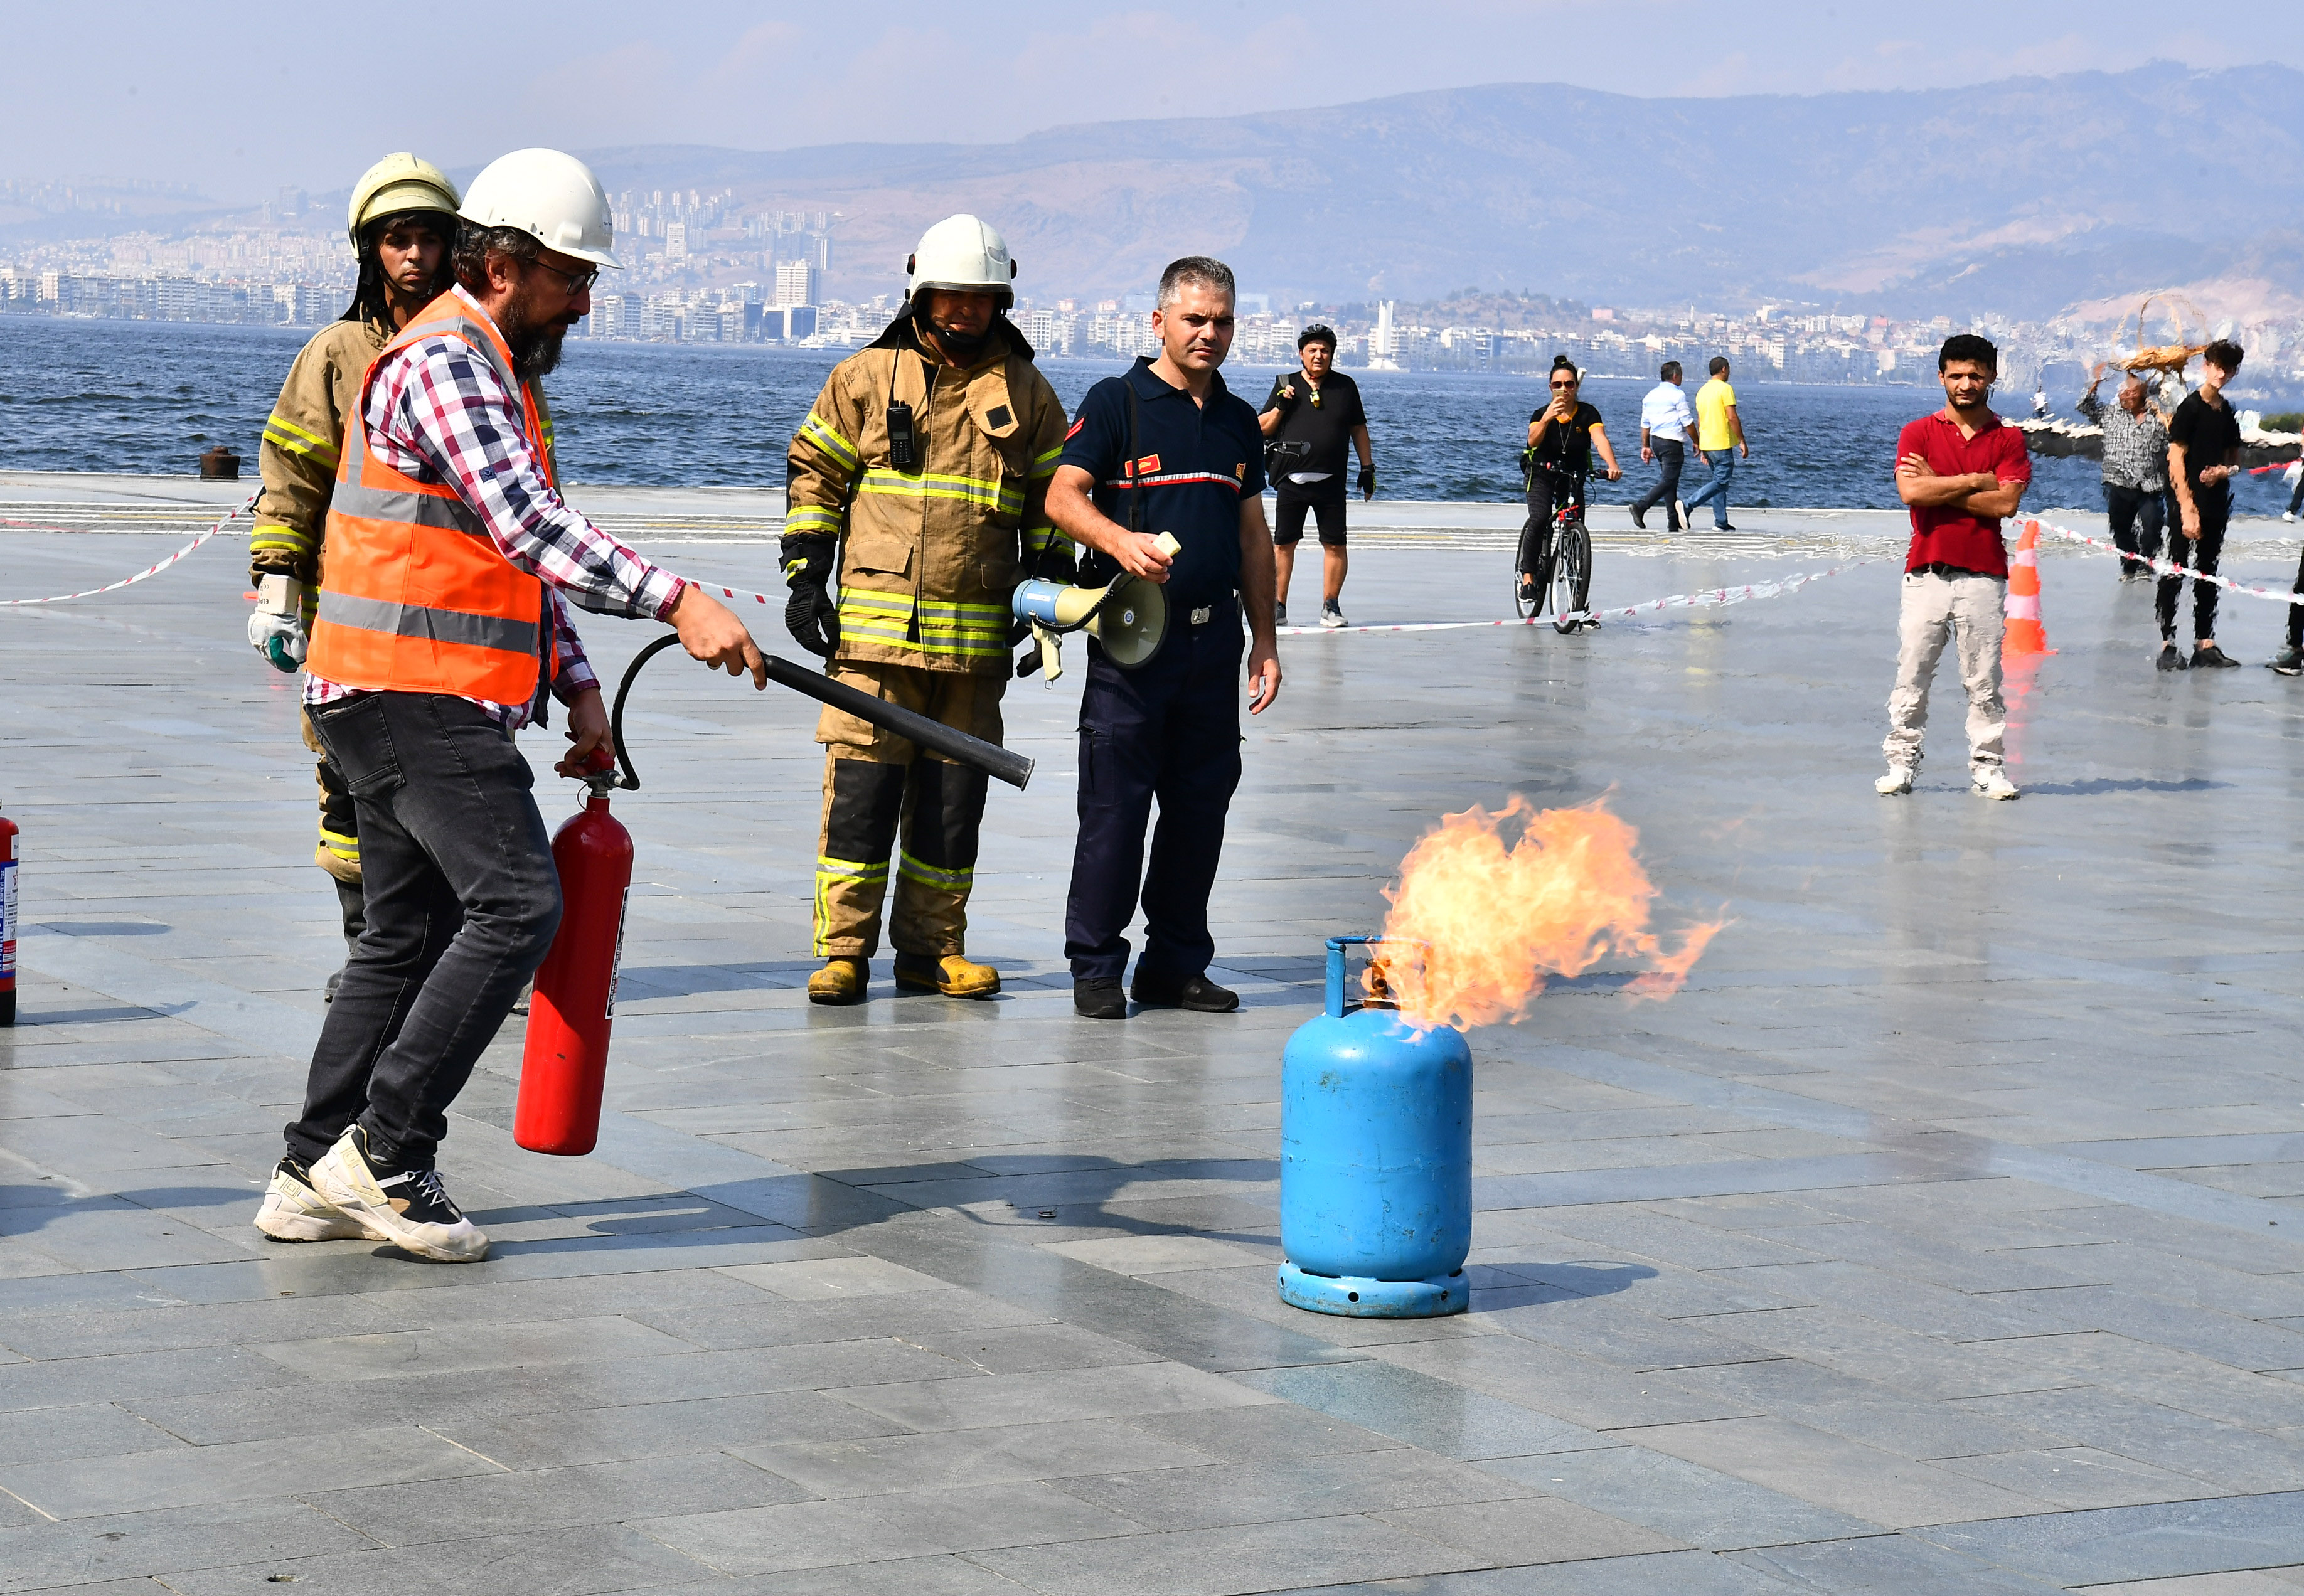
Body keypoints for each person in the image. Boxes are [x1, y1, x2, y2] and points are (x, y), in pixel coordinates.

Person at [253, 150, 767, 1262]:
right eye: (573, 277)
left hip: (404, 690)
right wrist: (680, 601)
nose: (585, 301)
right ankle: (385, 1153)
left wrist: (579, 687)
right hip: (408, 689)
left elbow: (514, 559)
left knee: (404, 936)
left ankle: (307, 1167)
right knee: (519, 905)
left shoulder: (491, 371)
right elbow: (535, 526)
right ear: (509, 264)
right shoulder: (447, 359)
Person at [780, 215, 1067, 1005]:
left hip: (973, 652)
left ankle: (934, 951)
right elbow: (816, 476)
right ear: (920, 292)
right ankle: (843, 953)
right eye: (953, 296)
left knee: (951, 811)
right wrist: (807, 575)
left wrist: (1045, 581)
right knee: (861, 806)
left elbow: (1052, 503)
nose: (968, 312)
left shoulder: (1028, 393)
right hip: (873, 643)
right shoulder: (864, 379)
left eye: (983, 298)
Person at [245, 155, 469, 1000]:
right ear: (370, 253)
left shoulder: (481, 353)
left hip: (458, 626)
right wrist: (278, 590)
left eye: (428, 239)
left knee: (457, 788)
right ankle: (371, 948)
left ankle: (455, 954)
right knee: (349, 791)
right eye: (396, 240)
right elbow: (292, 478)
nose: (413, 255)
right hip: (356, 620)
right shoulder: (337, 354)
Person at [1044, 255, 1281, 1020]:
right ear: (1159, 323)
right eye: (1195, 320)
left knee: (1198, 810)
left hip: (1214, 653)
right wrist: (1118, 541)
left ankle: (1174, 965)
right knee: (1115, 809)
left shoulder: (1242, 422)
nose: (1210, 333)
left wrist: (1266, 642)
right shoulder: (1119, 404)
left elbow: (1253, 538)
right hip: (1132, 647)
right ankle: (1096, 968)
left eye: (1223, 321)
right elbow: (1061, 494)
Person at [1877, 333, 2030, 802]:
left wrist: (1939, 485)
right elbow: (1912, 494)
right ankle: (1901, 763)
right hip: (1925, 574)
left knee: (1985, 681)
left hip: (1984, 576)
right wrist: (1971, 482)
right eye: (1957, 375)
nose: (1966, 384)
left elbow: (2006, 503)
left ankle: (1989, 767)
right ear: (1942, 376)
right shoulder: (1917, 433)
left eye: (1975, 375)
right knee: (1912, 676)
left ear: (1991, 377)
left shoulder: (2008, 438)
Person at [1258, 324, 1372, 628]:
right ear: (1301, 354)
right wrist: (1282, 404)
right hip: (1292, 482)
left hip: (1331, 483)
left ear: (1332, 354)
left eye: (1324, 350)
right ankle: (1278, 606)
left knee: (1335, 545)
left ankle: (1331, 606)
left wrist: (1367, 468)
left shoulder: (1345, 387)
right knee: (1284, 545)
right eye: (1312, 350)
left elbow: (1358, 428)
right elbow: (1262, 427)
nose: (1319, 355)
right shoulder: (1286, 384)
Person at [2159, 339, 2246, 671]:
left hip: (2217, 503)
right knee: (2176, 568)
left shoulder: (2226, 412)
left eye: (2229, 369)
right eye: (2217, 366)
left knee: (2209, 571)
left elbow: (2235, 461)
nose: (2222, 374)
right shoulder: (2190, 408)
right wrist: (2186, 507)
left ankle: (2204, 642)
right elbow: (2176, 459)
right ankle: (2168, 642)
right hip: (2187, 501)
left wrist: (2224, 471)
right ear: (2205, 365)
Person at [1517, 355, 1620, 610]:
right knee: (1540, 519)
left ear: (1576, 386)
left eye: (1569, 384)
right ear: (1550, 387)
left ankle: (1576, 598)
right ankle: (1528, 576)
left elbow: (1600, 439)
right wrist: (1547, 419)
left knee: (1576, 529)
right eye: (1558, 385)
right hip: (1541, 472)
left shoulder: (1587, 413)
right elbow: (1532, 441)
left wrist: (1612, 466)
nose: (1564, 390)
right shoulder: (1541, 413)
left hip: (1572, 475)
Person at [2076, 363, 2169, 581]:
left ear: (2143, 394)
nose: (2126, 396)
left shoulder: (2159, 416)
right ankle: (2129, 566)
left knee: (2152, 525)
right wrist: (2095, 381)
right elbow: (2084, 405)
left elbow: (2177, 435)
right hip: (2117, 482)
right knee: (2121, 529)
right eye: (2123, 392)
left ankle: (2146, 564)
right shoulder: (2111, 414)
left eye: (2132, 392)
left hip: (2150, 484)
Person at [1684, 356, 1750, 531]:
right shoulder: (1725, 389)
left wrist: (1701, 444)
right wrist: (1742, 441)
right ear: (1724, 369)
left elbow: (1700, 421)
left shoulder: (1702, 391)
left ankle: (1721, 522)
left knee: (1718, 481)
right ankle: (1687, 505)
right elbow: (1732, 417)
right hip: (1721, 442)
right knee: (1721, 481)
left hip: (1707, 442)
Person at [1631, 360, 1694, 531]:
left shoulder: (1650, 396)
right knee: (1669, 480)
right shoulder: (1678, 395)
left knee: (1670, 482)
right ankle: (1641, 506)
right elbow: (1687, 421)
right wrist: (1697, 441)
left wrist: (1645, 446)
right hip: (1672, 443)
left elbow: (1645, 424)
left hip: (1656, 442)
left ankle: (1673, 522)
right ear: (1675, 376)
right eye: (1681, 375)